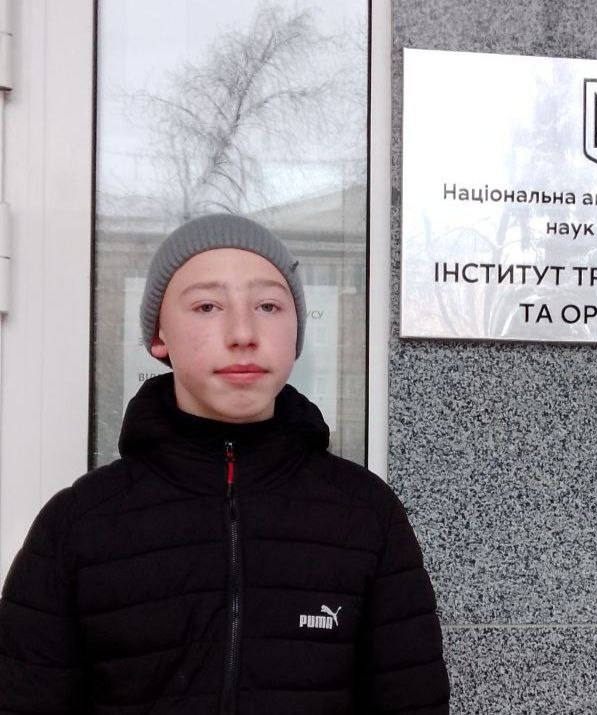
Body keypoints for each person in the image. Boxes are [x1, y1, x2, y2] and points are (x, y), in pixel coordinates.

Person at [0, 214, 449, 713]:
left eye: (268, 306)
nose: (242, 333)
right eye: (207, 306)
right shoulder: (77, 525)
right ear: (159, 336)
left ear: (296, 334)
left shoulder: (366, 515)